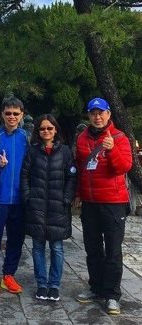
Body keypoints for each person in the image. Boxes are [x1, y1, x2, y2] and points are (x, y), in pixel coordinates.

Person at [75, 98, 132, 315]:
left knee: (113, 251)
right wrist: (78, 194)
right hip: (90, 203)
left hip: (113, 203)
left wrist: (111, 150)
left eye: (101, 113)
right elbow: (81, 167)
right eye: (93, 113)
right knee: (93, 249)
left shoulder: (119, 137)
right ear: (88, 116)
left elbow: (123, 167)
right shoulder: (82, 138)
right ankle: (96, 288)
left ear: (109, 114)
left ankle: (112, 295)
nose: (97, 117)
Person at [21, 114, 77, 301]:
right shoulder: (33, 151)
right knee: (37, 247)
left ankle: (54, 284)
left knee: (57, 248)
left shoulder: (65, 152)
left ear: (55, 130)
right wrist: (28, 196)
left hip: (57, 206)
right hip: (36, 205)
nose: (46, 131)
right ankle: (41, 284)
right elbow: (25, 175)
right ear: (38, 131)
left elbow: (71, 177)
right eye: (42, 128)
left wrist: (67, 198)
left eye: (49, 128)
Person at [0, 95, 28, 295]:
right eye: (8, 113)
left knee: (16, 238)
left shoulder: (26, 137)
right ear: (2, 114)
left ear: (21, 115)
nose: (11, 117)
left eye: (15, 114)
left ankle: (9, 274)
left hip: (20, 197)